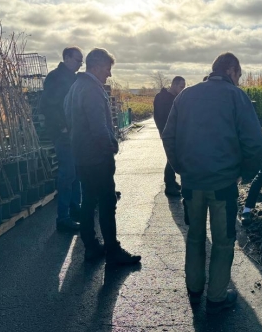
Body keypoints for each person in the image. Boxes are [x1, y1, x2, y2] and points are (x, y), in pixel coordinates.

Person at [162, 52, 262, 314]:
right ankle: (216, 297)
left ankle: (194, 290)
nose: (239, 81)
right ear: (231, 71)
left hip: (192, 183)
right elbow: (254, 144)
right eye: (239, 76)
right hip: (223, 185)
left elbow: (168, 136)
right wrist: (245, 173)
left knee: (195, 237)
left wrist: (180, 169)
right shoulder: (236, 97)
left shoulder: (185, 96)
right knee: (223, 241)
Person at [64, 48, 141, 266]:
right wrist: (111, 146)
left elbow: (68, 118)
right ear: (96, 66)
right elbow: (98, 127)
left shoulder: (75, 87)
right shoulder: (91, 89)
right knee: (107, 202)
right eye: (107, 69)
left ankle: (91, 247)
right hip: (97, 156)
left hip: (81, 155)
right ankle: (113, 251)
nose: (109, 74)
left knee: (88, 200)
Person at [39, 46, 83, 232]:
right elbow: (48, 106)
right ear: (66, 57)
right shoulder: (55, 77)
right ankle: (63, 217)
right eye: (77, 60)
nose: (80, 64)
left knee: (76, 172)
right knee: (67, 173)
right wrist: (62, 127)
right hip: (63, 133)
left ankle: (75, 209)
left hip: (74, 132)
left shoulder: (73, 78)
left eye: (81, 61)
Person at [153, 76, 186, 196]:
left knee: (171, 156)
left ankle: (171, 181)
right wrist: (162, 131)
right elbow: (158, 116)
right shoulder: (162, 98)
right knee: (171, 157)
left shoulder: (174, 97)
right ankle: (169, 186)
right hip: (168, 132)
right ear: (174, 85)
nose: (183, 89)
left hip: (174, 132)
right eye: (181, 87)